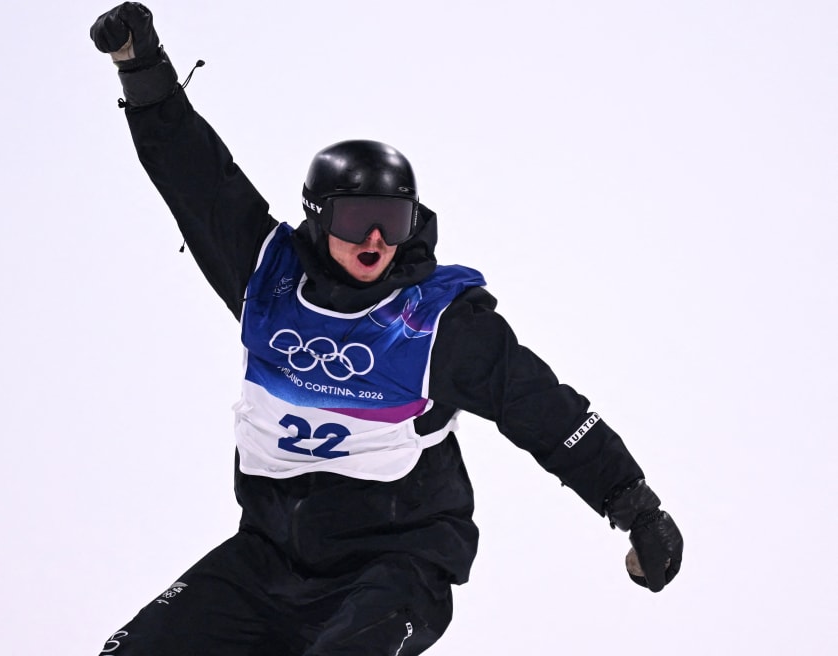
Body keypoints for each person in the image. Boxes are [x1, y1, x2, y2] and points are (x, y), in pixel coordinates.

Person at [89, 4, 683, 655]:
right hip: (268, 561)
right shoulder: (266, 276)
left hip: (396, 566)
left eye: (392, 221)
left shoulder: (438, 325)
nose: (374, 239)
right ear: (319, 217)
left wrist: (635, 505)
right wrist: (142, 70)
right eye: (355, 219)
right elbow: (196, 179)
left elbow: (544, 410)